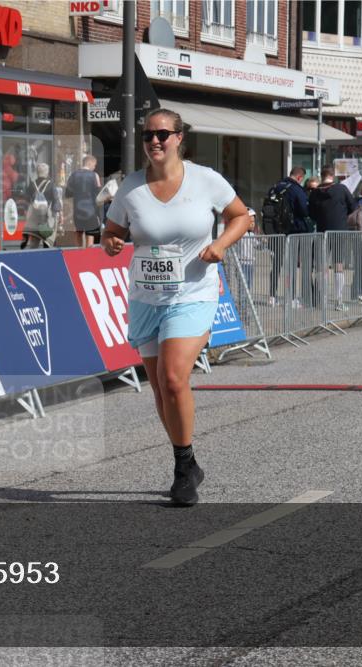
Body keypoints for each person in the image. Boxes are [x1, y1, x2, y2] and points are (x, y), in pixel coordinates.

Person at [101, 108, 249, 506]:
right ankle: (189, 459)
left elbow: (241, 216)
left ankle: (183, 468)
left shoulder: (205, 180)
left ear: (179, 138)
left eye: (163, 134)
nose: (155, 141)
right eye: (149, 135)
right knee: (160, 392)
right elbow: (112, 232)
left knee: (172, 378)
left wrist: (220, 245)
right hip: (146, 297)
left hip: (193, 293)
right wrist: (112, 243)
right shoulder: (130, 188)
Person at [308, 166, 356, 310]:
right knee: (338, 264)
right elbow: (353, 207)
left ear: (322, 175)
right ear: (333, 175)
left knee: (322, 265)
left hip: (322, 231)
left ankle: (321, 298)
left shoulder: (315, 193)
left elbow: (311, 213)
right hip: (339, 230)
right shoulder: (341, 189)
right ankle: (338, 300)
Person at [265, 167, 310, 307]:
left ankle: (272, 297)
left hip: (275, 231)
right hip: (292, 231)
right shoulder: (296, 189)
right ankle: (290, 298)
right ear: (299, 177)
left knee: (277, 264)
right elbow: (304, 210)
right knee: (291, 265)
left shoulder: (275, 187)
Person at [22, 163, 62, 249]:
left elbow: (26, 199)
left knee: (35, 240)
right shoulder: (51, 184)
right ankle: (47, 258)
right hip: (46, 216)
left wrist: (26, 211)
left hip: (34, 216)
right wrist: (56, 214)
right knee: (47, 239)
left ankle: (33, 259)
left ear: (37, 172)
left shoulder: (32, 184)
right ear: (47, 172)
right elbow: (56, 200)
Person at [66, 155, 102, 248]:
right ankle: (89, 257)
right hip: (91, 211)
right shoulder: (95, 175)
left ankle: (79, 254)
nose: (94, 168)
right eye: (94, 165)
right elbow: (99, 194)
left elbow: (67, 193)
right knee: (90, 236)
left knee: (78, 233)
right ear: (89, 163)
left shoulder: (73, 175)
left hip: (77, 211)